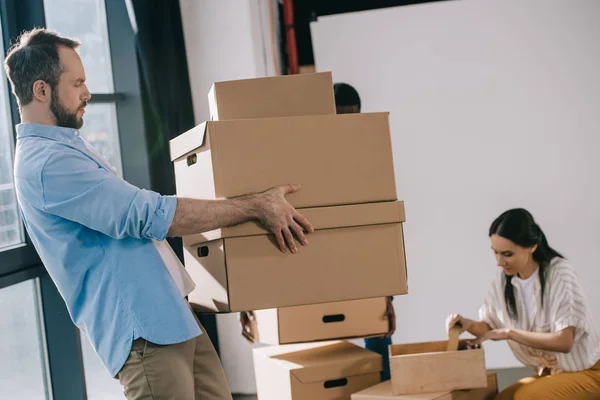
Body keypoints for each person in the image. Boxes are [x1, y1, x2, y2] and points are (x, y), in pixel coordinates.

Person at [5, 28, 313, 400]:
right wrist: (255, 206)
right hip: (143, 334)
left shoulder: (67, 149)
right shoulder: (48, 163)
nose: (87, 92)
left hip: (168, 315)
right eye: (77, 83)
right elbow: (144, 215)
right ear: (41, 90)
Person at [446, 208, 600, 399]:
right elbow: (490, 328)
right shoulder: (503, 282)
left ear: (532, 246)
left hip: (589, 371)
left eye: (507, 254)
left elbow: (565, 341)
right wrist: (467, 324)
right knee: (502, 398)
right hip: (552, 373)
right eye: (496, 253)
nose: (499, 262)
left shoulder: (559, 273)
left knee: (526, 397)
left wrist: (510, 333)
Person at [333, 82, 396, 381]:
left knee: (378, 336)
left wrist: (388, 296)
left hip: (362, 257)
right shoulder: (305, 157)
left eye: (352, 117)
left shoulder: (370, 156)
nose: (347, 126)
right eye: (339, 118)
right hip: (323, 256)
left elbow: (382, 228)